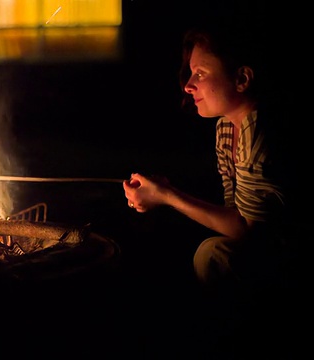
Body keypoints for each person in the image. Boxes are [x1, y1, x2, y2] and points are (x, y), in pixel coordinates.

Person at [122, 22, 294, 296]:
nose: (188, 86)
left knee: (212, 255)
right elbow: (232, 211)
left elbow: (245, 230)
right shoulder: (226, 127)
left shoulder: (260, 135)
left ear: (242, 79)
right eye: (191, 73)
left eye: (200, 73)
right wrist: (162, 194)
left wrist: (167, 196)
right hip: (266, 247)